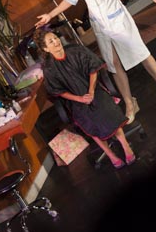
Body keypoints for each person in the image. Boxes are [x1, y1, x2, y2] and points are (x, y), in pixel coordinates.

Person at [33, 28, 136, 169]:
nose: (56, 42)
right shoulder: (49, 69)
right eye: (51, 41)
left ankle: (125, 146)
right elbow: (60, 92)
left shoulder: (75, 50)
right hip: (76, 101)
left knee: (105, 110)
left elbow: (93, 69)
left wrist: (91, 92)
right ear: (46, 49)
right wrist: (79, 99)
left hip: (94, 91)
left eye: (55, 38)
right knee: (87, 119)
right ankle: (111, 155)